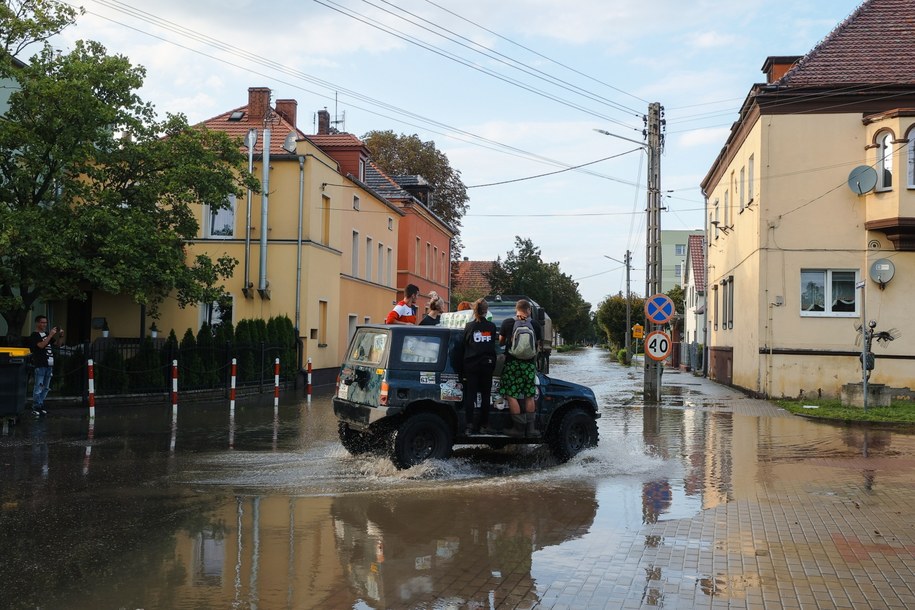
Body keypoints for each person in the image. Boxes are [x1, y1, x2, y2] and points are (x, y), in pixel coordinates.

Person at [498, 299, 542, 438]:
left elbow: (501, 341)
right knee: (529, 395)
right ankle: (531, 429)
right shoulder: (535, 324)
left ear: (516, 309)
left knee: (512, 395)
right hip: (529, 365)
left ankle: (518, 429)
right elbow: (538, 345)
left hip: (512, 364)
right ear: (529, 310)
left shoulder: (507, 322)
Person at [460, 299, 498, 435]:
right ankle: (484, 424)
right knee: (486, 395)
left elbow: (464, 344)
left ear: (474, 311)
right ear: (486, 311)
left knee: (471, 395)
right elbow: (493, 345)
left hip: (471, 364)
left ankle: (469, 425)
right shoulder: (492, 327)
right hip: (486, 364)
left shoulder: (469, 326)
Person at [28, 315, 63, 416]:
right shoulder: (34, 335)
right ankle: (35, 407)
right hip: (40, 364)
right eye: (42, 323)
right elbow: (41, 346)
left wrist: (60, 336)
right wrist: (50, 335)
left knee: (46, 387)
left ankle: (41, 404)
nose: (44, 325)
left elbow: (57, 345)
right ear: (37, 323)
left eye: (46, 323)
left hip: (49, 364)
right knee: (39, 386)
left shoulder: (46, 334)